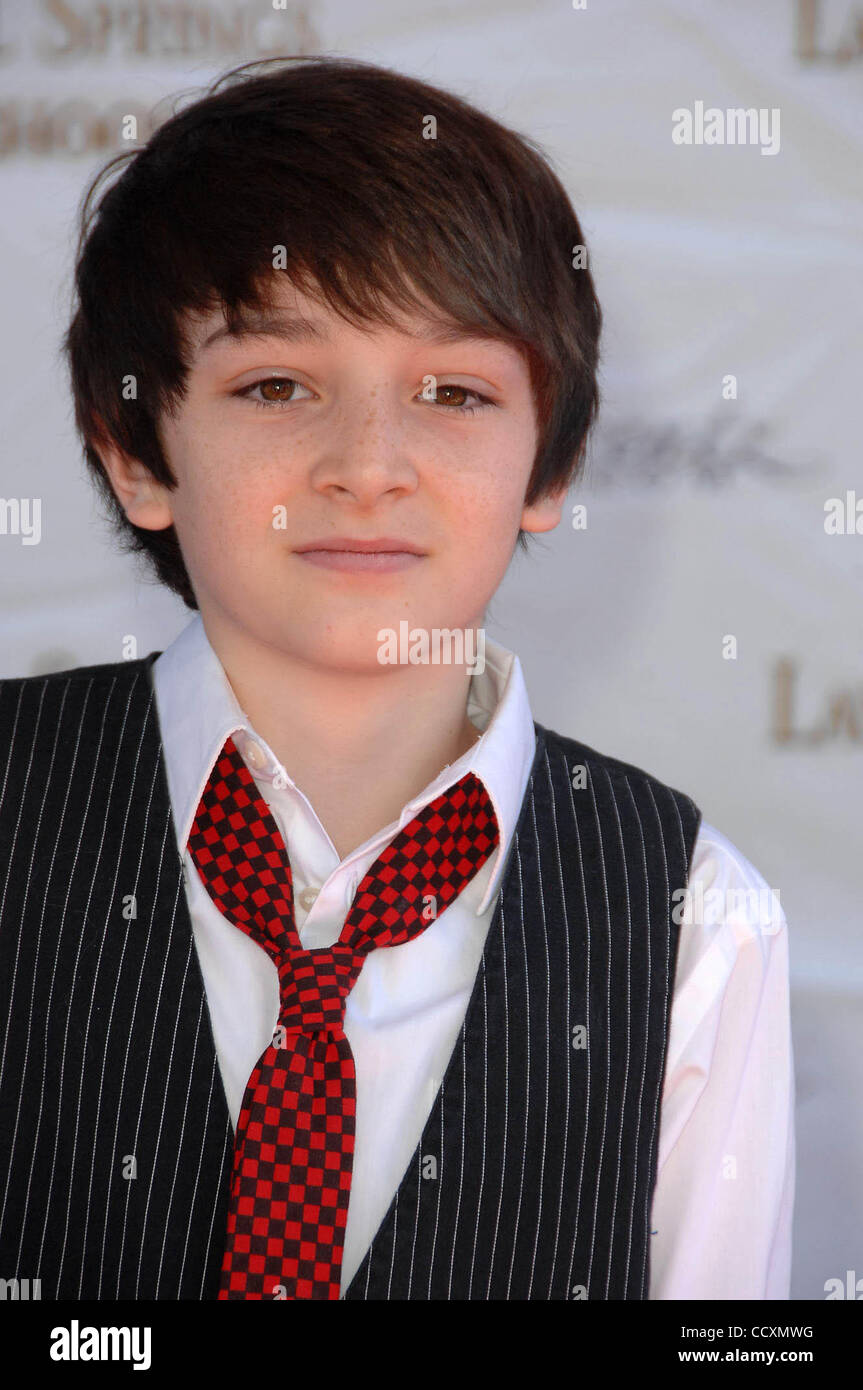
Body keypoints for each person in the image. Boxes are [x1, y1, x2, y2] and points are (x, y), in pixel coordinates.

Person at [0, 55, 793, 1301]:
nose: (367, 465)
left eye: (453, 392)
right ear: (134, 449)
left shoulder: (694, 917)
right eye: (275, 384)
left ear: (551, 467)